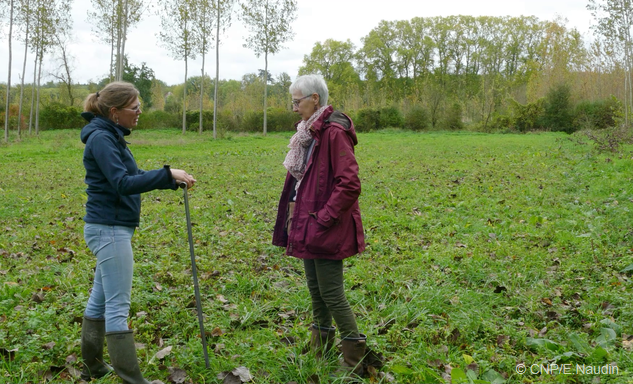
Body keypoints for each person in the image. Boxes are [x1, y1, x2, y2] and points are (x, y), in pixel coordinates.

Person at [78, 81, 195, 383]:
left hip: (109, 227)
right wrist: (165, 175)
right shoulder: (102, 139)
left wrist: (169, 177)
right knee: (117, 307)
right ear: (115, 112)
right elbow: (122, 183)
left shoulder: (108, 135)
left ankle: (93, 366)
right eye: (134, 107)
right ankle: (133, 380)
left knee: (101, 299)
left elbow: (131, 176)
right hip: (109, 229)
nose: (140, 111)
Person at [272, 74, 370, 376]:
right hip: (308, 222)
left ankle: (355, 358)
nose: (294, 108)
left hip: (325, 225)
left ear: (315, 99)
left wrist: (324, 218)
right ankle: (321, 347)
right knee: (316, 290)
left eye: (297, 101)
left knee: (332, 293)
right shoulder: (309, 133)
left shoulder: (333, 133)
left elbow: (350, 183)